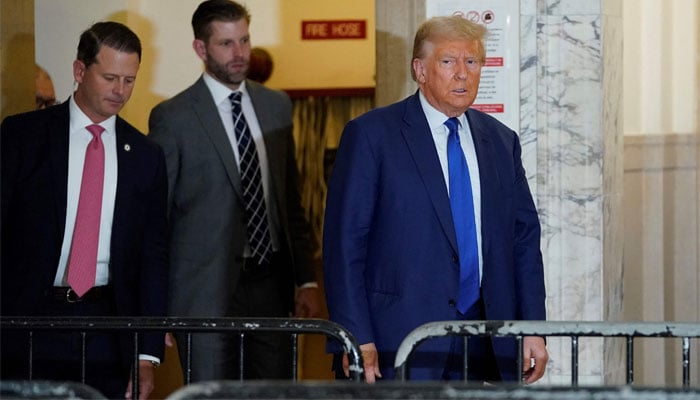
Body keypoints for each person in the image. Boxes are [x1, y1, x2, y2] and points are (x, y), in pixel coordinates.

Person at [323, 15, 548, 383]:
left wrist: (534, 328)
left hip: (489, 342)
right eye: (448, 62)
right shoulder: (371, 136)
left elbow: (523, 240)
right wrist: (354, 337)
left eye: (472, 62)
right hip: (397, 341)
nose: (463, 73)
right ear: (420, 70)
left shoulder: (501, 141)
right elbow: (344, 246)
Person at [148, 0, 320, 381]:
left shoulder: (276, 106)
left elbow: (289, 199)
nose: (239, 52)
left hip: (271, 284)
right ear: (200, 48)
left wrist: (306, 278)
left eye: (244, 39)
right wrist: (154, 308)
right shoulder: (173, 118)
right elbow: (155, 220)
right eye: (226, 43)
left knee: (274, 391)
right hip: (202, 292)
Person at [1, 21, 168, 399]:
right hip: (26, 319)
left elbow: (153, 259)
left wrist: (147, 354)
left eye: (129, 79)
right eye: (110, 77)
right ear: (79, 71)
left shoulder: (145, 156)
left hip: (108, 328)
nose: (120, 91)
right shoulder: (21, 137)